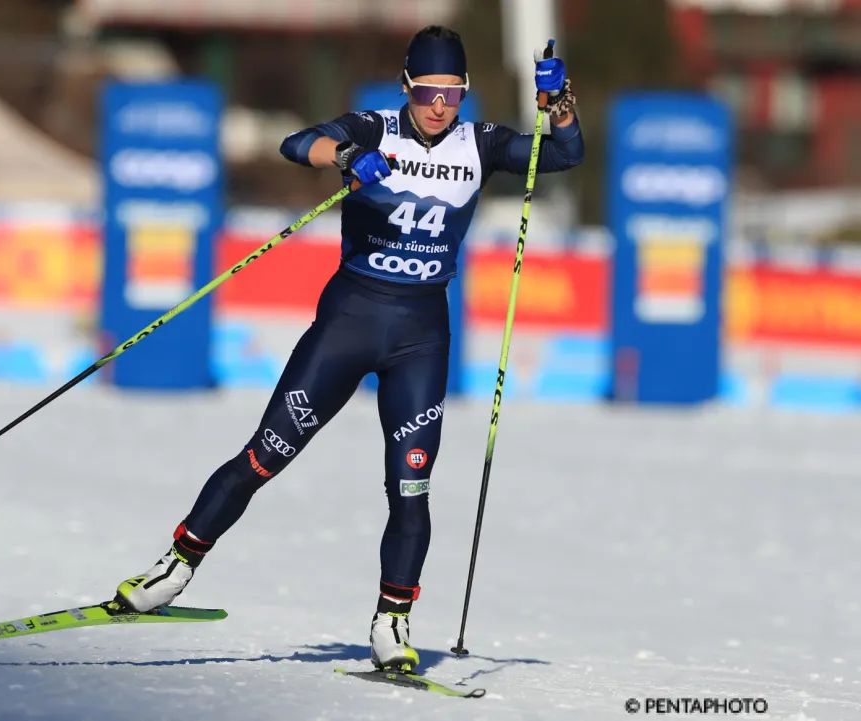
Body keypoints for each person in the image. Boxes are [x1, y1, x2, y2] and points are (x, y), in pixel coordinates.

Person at [111, 25, 584, 672]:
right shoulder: (374, 128)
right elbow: (294, 142)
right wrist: (342, 157)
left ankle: (392, 620)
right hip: (348, 323)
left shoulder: (481, 143)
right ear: (405, 89)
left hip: (420, 338)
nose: (438, 107)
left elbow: (562, 154)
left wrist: (559, 105)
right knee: (264, 454)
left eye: (451, 93)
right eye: (426, 92)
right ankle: (176, 565)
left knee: (410, 485)